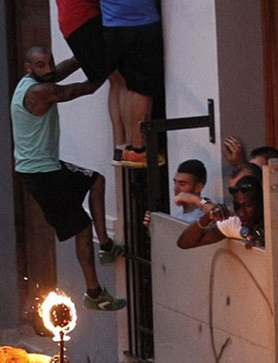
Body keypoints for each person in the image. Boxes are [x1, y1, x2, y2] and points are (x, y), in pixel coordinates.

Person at [10, 45, 126, 311]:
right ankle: (94, 293)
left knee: (96, 181)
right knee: (81, 227)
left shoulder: (34, 80)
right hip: (41, 174)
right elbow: (84, 88)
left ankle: (106, 245)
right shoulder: (38, 92)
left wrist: (85, 52)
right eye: (41, 65)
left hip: (47, 167)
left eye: (49, 62)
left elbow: (61, 70)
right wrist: (110, 64)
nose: (49, 68)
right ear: (29, 68)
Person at [54, 0, 128, 161]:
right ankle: (126, 144)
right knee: (121, 80)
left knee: (115, 80)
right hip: (84, 18)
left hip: (71, 22)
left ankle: (120, 146)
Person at [100, 0, 165, 165]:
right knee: (142, 89)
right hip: (142, 23)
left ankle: (129, 146)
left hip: (112, 26)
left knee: (126, 86)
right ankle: (139, 148)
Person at [176, 175, 278, 255]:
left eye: (247, 205)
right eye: (237, 206)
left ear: (262, 202)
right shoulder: (235, 223)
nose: (241, 213)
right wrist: (207, 217)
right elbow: (184, 243)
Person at [222, 136, 278, 210]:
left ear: (276, 171)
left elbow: (261, 210)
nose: (254, 174)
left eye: (258, 170)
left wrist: (240, 164)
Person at [143, 159, 215, 230]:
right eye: (175, 183)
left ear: (198, 187)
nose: (175, 189)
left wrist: (195, 199)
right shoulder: (177, 217)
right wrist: (153, 228)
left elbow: (218, 214)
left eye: (182, 184)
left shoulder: (206, 212)